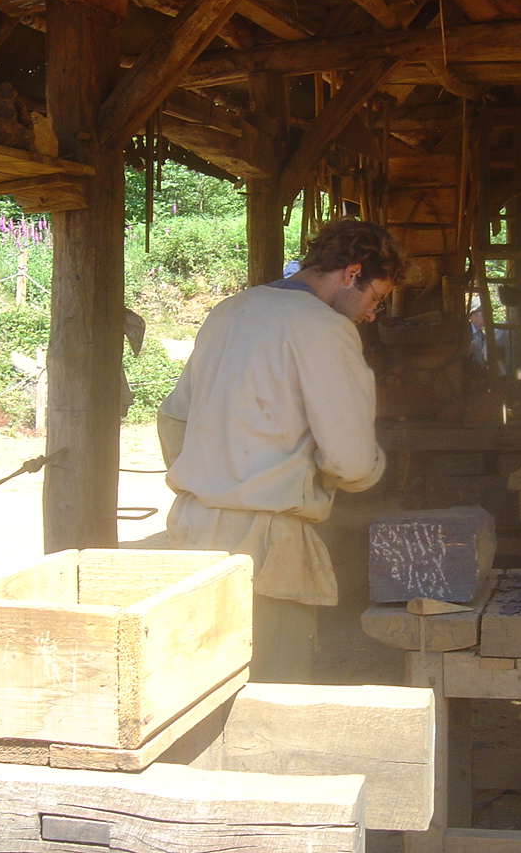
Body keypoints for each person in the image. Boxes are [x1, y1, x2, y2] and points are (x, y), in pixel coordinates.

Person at [156, 218, 403, 682]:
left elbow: (173, 419)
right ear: (352, 273)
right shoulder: (325, 329)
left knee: (195, 687)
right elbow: (350, 462)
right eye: (375, 299)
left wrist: (216, 476)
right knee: (269, 695)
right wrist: (372, 471)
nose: (371, 314)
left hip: (192, 534)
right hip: (269, 552)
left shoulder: (228, 311)